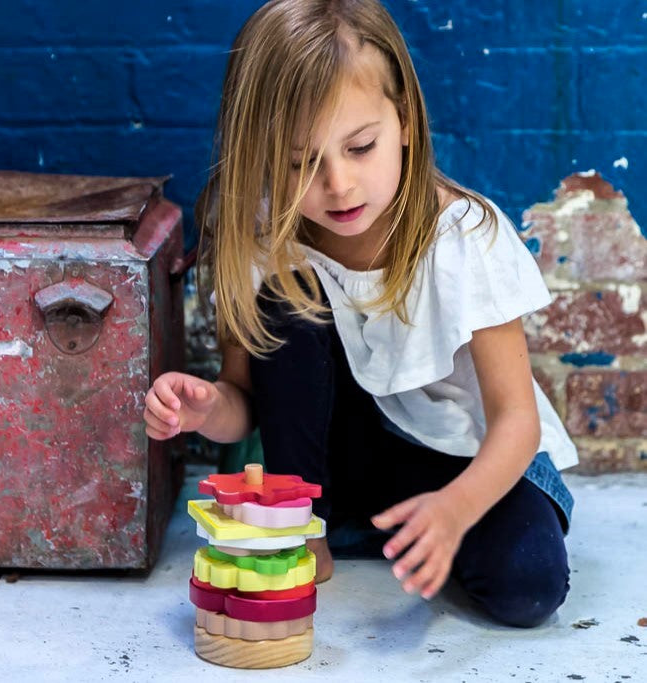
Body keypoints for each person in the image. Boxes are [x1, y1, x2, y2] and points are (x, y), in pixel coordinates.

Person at [144, 0, 578, 628]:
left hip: (464, 456)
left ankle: (414, 530)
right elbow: (247, 404)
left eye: (361, 147)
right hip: (335, 456)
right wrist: (208, 409)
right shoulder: (265, 236)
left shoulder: (464, 238)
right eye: (300, 163)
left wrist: (455, 511)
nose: (339, 184)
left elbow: (517, 422)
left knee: (529, 587)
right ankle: (308, 527)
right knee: (288, 302)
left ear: (403, 121)